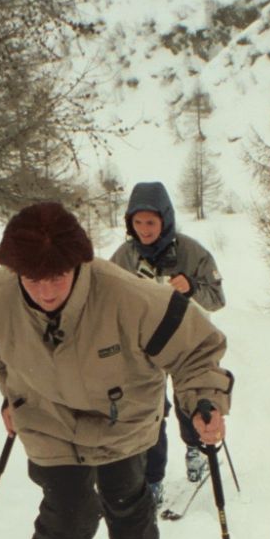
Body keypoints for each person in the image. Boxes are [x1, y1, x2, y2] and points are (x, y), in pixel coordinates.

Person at [0, 201, 232, 539]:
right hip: (47, 419)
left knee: (125, 495)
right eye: (33, 279)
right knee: (66, 512)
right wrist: (11, 394)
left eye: (58, 277)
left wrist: (204, 401)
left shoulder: (130, 298)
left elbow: (196, 349)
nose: (46, 290)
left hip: (121, 418)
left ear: (78, 264)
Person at [111, 181, 225, 504]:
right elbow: (104, 298)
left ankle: (195, 449)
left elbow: (217, 298)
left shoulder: (191, 252)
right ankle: (152, 479)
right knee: (152, 411)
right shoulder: (125, 256)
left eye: (151, 222)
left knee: (191, 399)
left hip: (187, 343)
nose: (144, 229)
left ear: (165, 219)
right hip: (144, 347)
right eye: (137, 222)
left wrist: (191, 288)